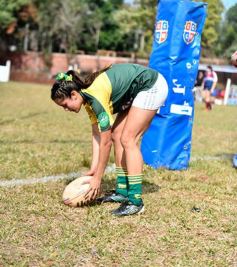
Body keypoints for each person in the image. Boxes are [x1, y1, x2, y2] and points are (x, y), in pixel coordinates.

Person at [51, 63, 168, 216]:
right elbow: (97, 135)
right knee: (117, 135)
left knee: (128, 139)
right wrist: (94, 170)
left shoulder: (94, 96)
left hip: (151, 85)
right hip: (136, 91)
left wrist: (98, 179)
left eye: (65, 105)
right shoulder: (86, 98)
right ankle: (122, 191)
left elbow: (105, 143)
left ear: (74, 95)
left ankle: (135, 201)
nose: (66, 109)